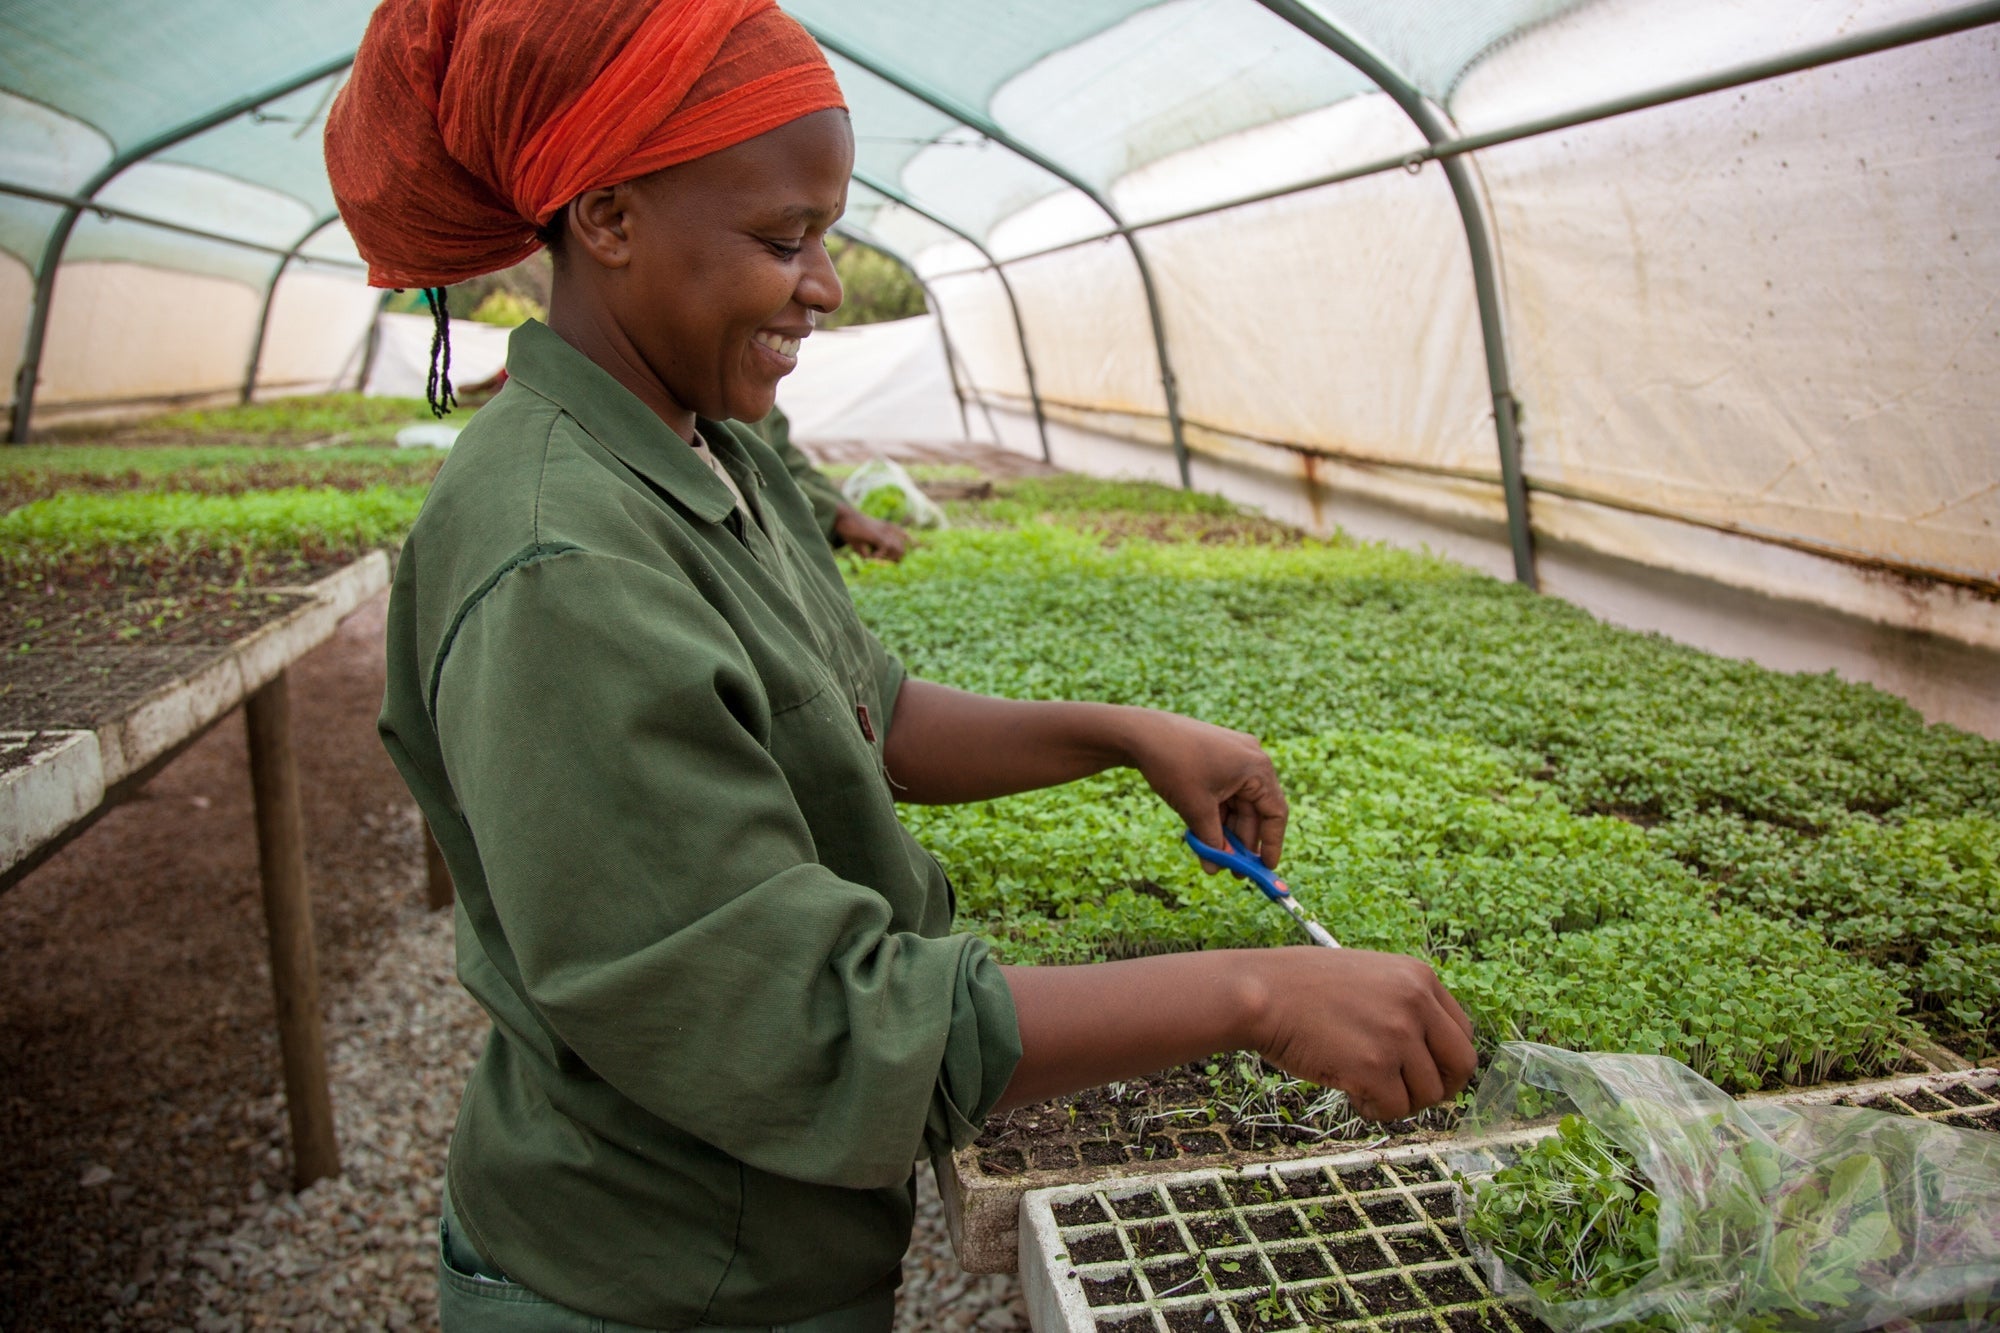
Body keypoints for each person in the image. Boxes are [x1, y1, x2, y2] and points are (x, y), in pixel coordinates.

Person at [327, 3, 1477, 1329]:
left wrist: (1118, 732)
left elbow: (866, 712)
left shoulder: (709, 441)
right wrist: (1258, 993)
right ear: (610, 216)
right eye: (783, 239)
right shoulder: (557, 564)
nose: (821, 285)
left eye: (826, 236)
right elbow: (799, 1019)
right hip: (654, 1278)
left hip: (773, 1241)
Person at [753, 406, 910, 561]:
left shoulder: (766, 410)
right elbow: (757, 477)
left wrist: (847, 514)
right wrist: (837, 515)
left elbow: (790, 464)